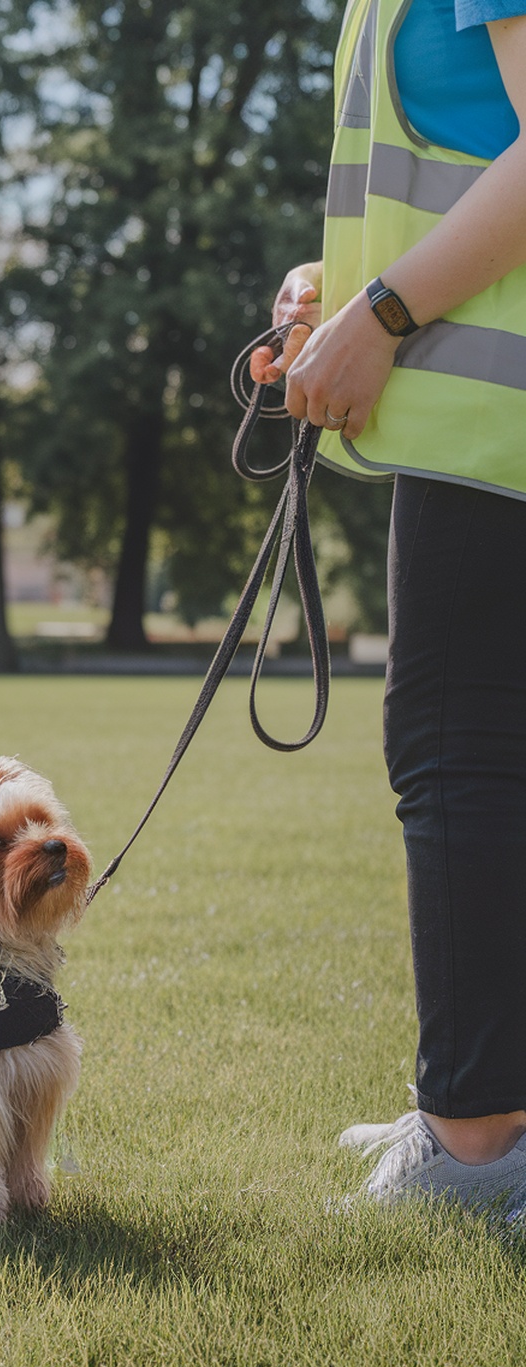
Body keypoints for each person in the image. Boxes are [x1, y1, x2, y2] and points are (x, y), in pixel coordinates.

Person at [257, 0, 526, 1208]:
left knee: (455, 748)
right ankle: (474, 1104)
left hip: (498, 428)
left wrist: (383, 315)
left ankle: (476, 1145)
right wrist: (342, 286)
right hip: (483, 420)